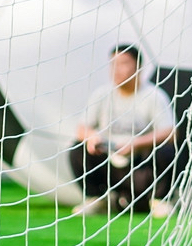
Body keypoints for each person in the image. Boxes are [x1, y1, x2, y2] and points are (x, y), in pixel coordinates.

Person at [69, 44, 177, 218]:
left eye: (124, 63)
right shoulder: (102, 94)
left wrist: (136, 144)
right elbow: (82, 128)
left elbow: (170, 132)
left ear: (138, 67)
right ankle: (96, 199)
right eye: (114, 64)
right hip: (109, 160)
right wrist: (92, 137)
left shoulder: (154, 96)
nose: (117, 70)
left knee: (166, 150)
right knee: (78, 147)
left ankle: (160, 200)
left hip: (140, 163)